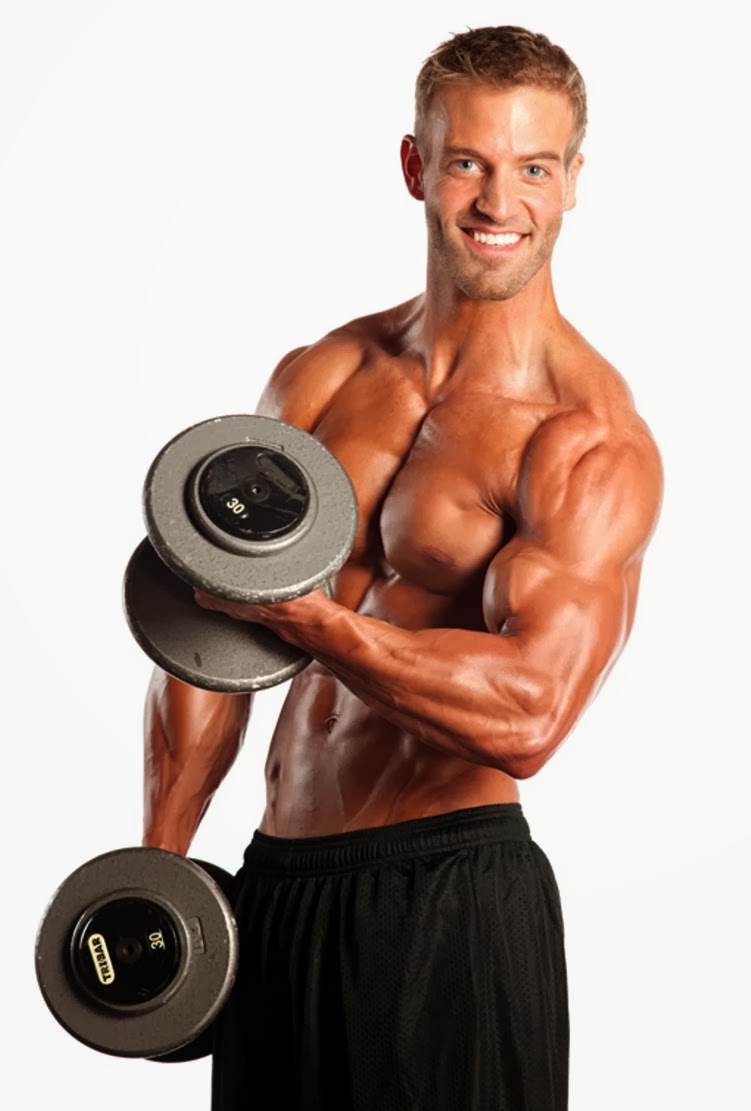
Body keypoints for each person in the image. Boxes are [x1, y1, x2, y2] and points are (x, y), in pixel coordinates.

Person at [143, 25, 662, 1111]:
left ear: (572, 183)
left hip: (448, 896)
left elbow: (527, 717)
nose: (496, 200)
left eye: (532, 167)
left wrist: (318, 626)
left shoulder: (584, 439)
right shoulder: (323, 373)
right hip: (276, 889)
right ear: (416, 167)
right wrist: (162, 868)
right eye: (468, 160)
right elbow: (208, 625)